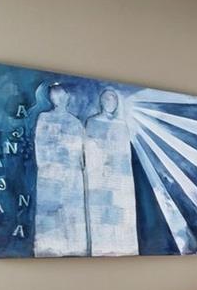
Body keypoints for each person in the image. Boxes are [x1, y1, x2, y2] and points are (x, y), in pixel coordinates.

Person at [32, 82, 89, 257]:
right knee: (50, 213)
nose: (59, 98)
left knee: (72, 212)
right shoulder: (44, 118)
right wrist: (50, 166)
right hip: (50, 174)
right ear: (50, 98)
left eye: (62, 94)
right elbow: (40, 147)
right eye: (55, 95)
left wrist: (78, 169)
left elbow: (81, 153)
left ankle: (75, 247)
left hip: (72, 175)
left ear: (68, 97)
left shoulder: (76, 122)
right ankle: (50, 248)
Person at [84, 88, 139, 256]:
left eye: (114, 100)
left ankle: (123, 247)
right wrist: (102, 165)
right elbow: (90, 149)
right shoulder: (92, 122)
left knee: (122, 215)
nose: (111, 103)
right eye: (107, 99)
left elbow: (125, 154)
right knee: (101, 214)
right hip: (100, 178)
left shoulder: (121, 124)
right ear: (101, 101)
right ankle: (103, 247)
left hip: (120, 177)